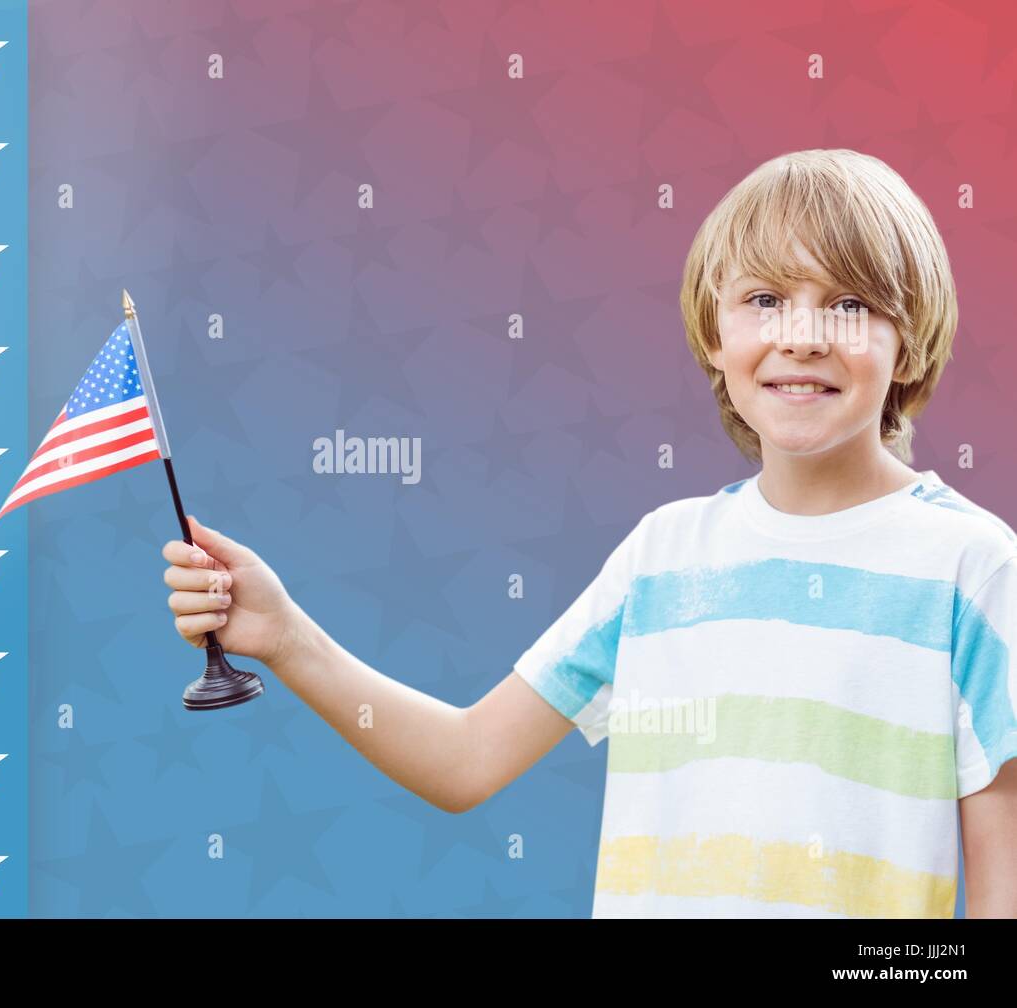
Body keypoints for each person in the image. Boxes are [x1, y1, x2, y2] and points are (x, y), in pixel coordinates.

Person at [161, 149, 1017, 918]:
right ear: (715, 335)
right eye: (764, 299)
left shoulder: (970, 569)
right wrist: (286, 637)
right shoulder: (661, 557)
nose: (801, 336)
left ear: (910, 345)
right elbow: (466, 760)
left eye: (850, 304)